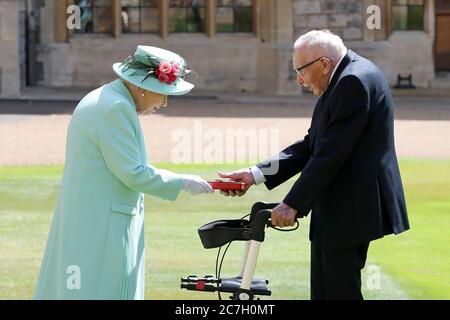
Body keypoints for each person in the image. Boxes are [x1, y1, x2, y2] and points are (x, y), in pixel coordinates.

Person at [218, 30, 410, 300]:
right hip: (337, 204)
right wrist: (255, 174)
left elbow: (330, 155)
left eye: (301, 70)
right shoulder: (344, 76)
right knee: (324, 291)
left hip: (351, 205)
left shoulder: (352, 81)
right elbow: (313, 145)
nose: (299, 79)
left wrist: (292, 204)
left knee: (338, 292)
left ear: (323, 63)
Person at [34, 46, 214, 300]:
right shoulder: (116, 107)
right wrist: (182, 181)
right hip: (103, 224)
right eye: (163, 94)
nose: (164, 102)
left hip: (90, 218)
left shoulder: (106, 97)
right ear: (143, 86)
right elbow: (132, 173)